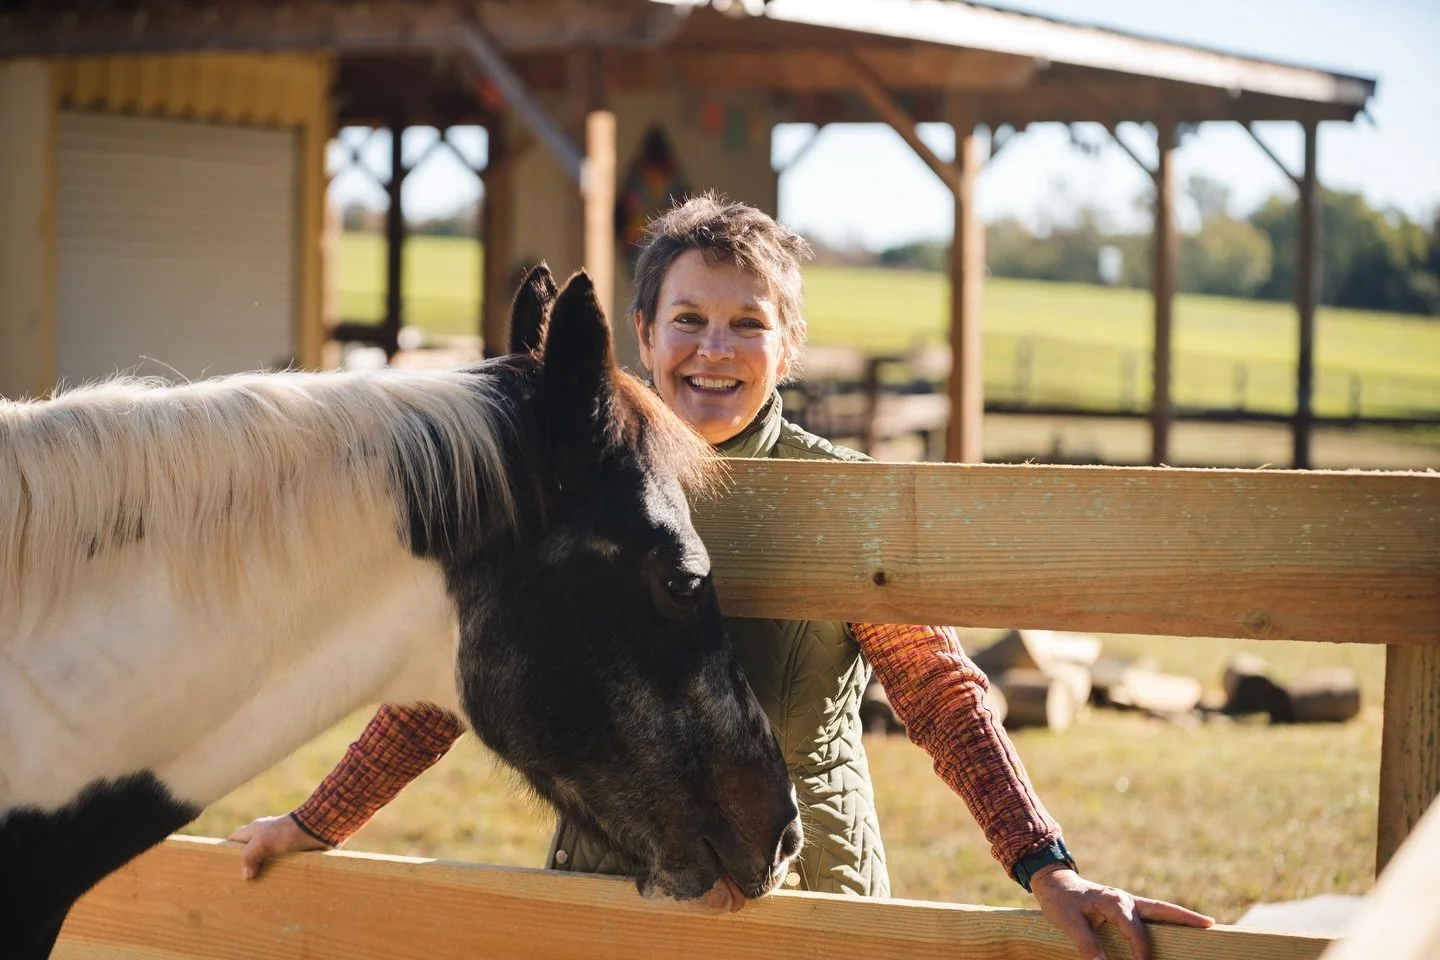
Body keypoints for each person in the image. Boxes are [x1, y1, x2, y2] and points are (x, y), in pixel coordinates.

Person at [229, 193, 1212, 960]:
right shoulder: (574, 487)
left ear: (787, 350)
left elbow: (943, 700)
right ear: (644, 335)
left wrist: (1047, 867)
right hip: (614, 890)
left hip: (799, 895)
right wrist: (316, 821)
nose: (713, 348)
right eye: (688, 318)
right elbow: (459, 686)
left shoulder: (848, 500)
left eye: (748, 324)